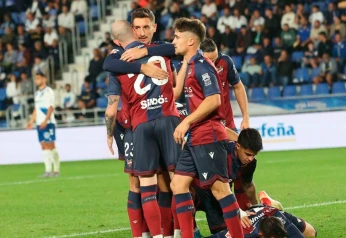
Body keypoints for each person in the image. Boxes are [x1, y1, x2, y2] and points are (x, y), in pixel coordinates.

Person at [170, 17, 244, 238]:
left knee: (220, 189)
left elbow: (214, 100)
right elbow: (175, 93)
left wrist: (186, 121)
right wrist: (183, 62)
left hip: (207, 135)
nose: (173, 41)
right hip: (194, 137)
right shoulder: (190, 65)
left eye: (177, 37)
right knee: (178, 185)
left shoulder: (203, 66)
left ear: (191, 41)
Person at [110, 20, 181, 238]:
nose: (141, 32)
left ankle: (164, 234)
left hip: (145, 123)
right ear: (132, 30)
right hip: (152, 121)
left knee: (156, 183)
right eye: (137, 28)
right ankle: (162, 233)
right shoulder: (123, 56)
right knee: (167, 180)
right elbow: (178, 48)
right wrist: (143, 65)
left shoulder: (120, 58)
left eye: (145, 27)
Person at [192, 128, 263, 234]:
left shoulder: (250, 163)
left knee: (223, 232)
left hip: (219, 195)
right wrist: (238, 210)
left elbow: (247, 185)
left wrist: (256, 207)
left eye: (253, 155)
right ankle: (192, 230)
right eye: (248, 154)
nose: (250, 159)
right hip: (198, 190)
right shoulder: (221, 153)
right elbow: (217, 188)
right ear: (238, 146)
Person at [207, 191, 317, 238]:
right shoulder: (243, 233)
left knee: (312, 233)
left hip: (270, 211)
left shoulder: (280, 220)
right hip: (252, 213)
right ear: (260, 234)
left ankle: (269, 203)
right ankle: (265, 204)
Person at [200, 38, 249, 132]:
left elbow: (238, 87)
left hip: (227, 124)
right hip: (205, 127)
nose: (214, 65)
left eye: (215, 60)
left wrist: (245, 117)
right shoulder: (193, 68)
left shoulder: (225, 62)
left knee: (241, 146)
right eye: (210, 61)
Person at [26, 72, 60, 177]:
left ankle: (56, 170)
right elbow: (36, 109)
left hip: (48, 123)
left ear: (44, 79)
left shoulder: (49, 91)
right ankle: (48, 170)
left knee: (51, 145)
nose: (37, 81)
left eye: (39, 78)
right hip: (39, 123)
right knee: (43, 145)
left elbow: (51, 107)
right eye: (36, 79)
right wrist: (31, 121)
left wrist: (46, 120)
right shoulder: (37, 93)